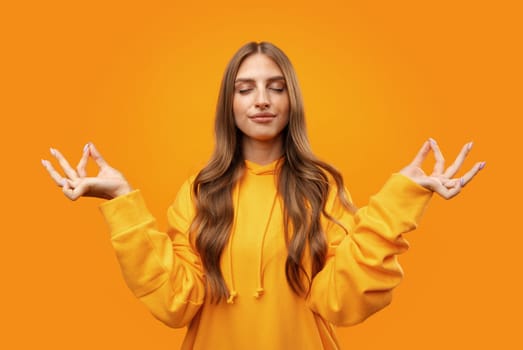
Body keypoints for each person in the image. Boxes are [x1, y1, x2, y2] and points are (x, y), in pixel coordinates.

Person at [41, 41, 484, 349]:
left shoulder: (320, 188)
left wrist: (400, 201)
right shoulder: (200, 192)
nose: (262, 101)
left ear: (292, 100)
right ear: (229, 104)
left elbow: (341, 301)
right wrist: (120, 200)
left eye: (276, 86)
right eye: (245, 88)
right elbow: (176, 302)